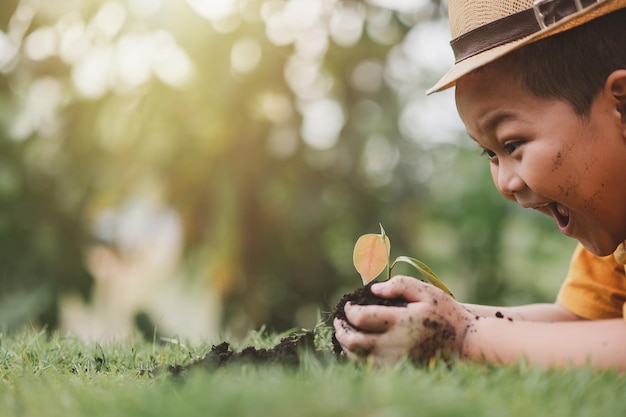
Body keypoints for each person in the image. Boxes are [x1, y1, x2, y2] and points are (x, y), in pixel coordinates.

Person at [333, 0, 626, 371]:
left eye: (513, 144)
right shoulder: (615, 233)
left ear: (621, 104)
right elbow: (585, 324)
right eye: (489, 153)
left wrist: (465, 337)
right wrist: (437, 317)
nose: (504, 182)